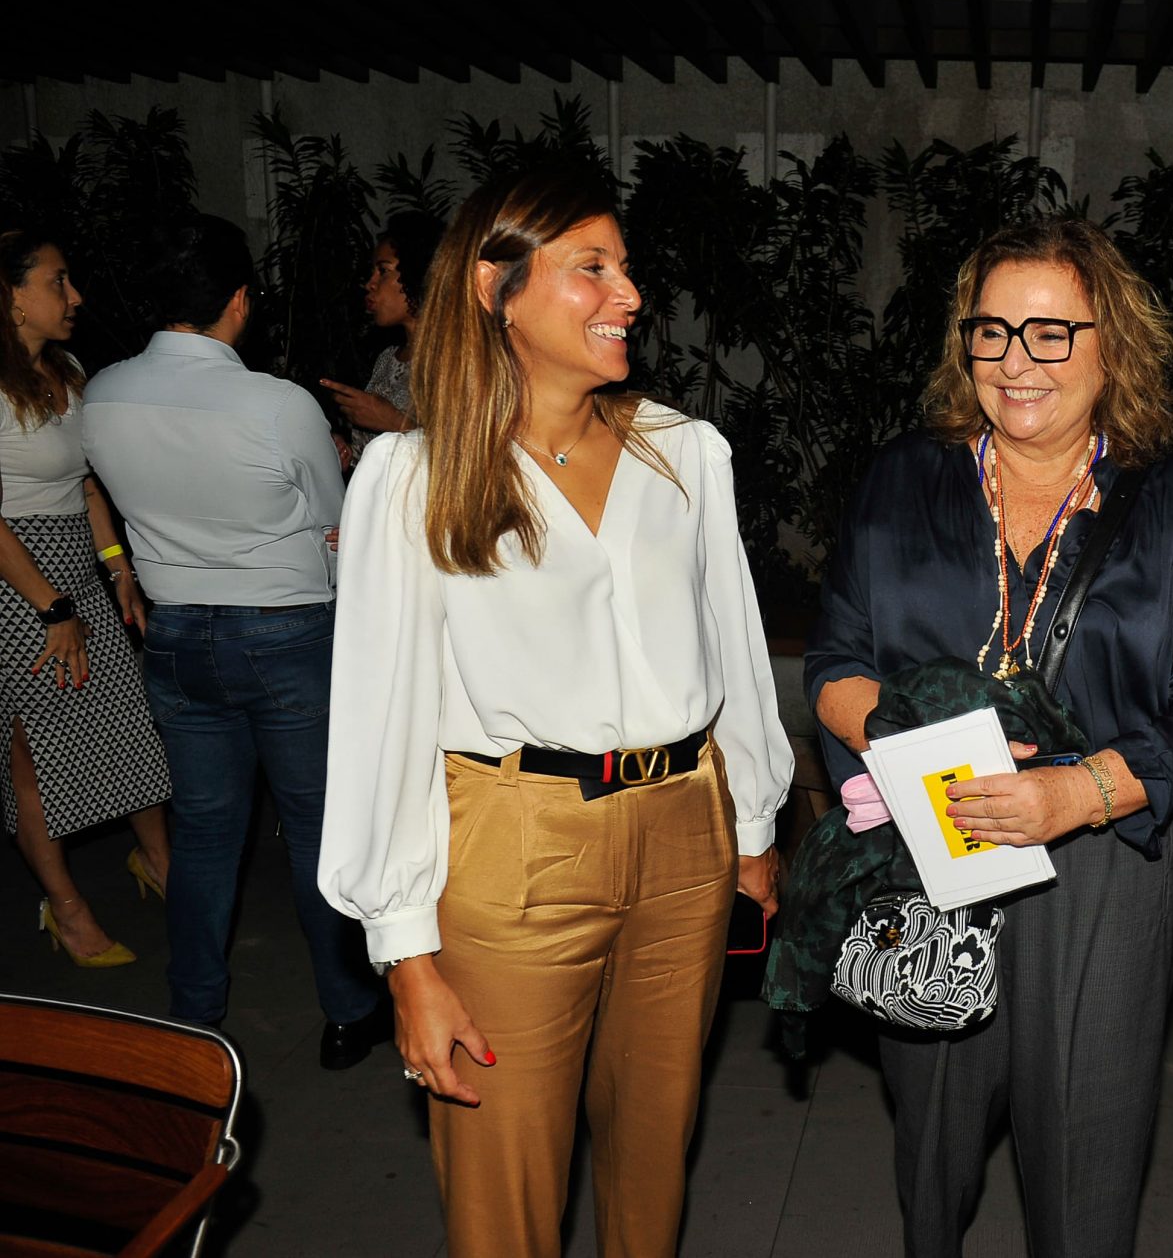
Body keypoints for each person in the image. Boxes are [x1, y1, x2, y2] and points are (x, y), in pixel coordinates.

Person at [317, 166, 792, 1258]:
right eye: (592, 269)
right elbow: (381, 718)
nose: (629, 294)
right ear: (498, 289)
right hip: (513, 847)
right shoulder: (416, 475)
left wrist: (755, 829)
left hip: (685, 835)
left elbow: (734, 646)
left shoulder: (683, 452)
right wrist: (406, 956)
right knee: (506, 1188)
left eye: (626, 267)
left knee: (653, 1160)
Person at [808, 215, 1173, 1258]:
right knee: (932, 1154)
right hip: (932, 840)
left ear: (1113, 347)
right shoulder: (904, 481)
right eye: (993, 331)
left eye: (1052, 333)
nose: (1017, 362)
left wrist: (1079, 792)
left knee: (1085, 1165)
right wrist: (903, 730)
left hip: (1105, 860)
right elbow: (833, 660)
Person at [81, 214, 382, 1065]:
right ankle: (347, 1010)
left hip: (176, 636)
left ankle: (192, 1014)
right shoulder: (276, 404)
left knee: (206, 834)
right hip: (286, 633)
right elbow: (333, 520)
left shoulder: (101, 394)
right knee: (317, 829)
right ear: (240, 301)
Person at [1, 227, 171, 966]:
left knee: (125, 717)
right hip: (17, 584)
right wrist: (53, 607)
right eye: (57, 282)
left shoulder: (66, 369)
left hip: (75, 569)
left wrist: (117, 567)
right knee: (33, 748)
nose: (75, 296)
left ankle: (158, 860)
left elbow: (86, 483)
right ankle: (66, 908)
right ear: (11, 296)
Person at [318, 211, 444, 464]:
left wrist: (397, 423)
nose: (370, 284)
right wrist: (345, 451)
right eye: (371, 273)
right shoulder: (387, 359)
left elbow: (473, 457)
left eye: (383, 271)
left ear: (421, 273)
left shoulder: (462, 360)